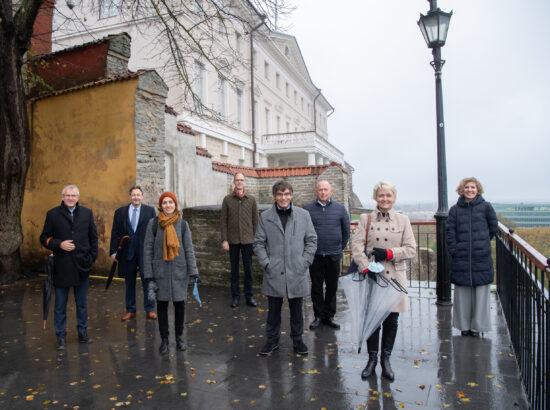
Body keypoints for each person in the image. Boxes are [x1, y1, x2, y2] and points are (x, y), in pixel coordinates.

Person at [351, 181, 416, 381]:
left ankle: (385, 360)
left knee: (391, 321)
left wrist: (389, 253)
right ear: (376, 198)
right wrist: (365, 266)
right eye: (381, 196)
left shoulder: (403, 220)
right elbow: (356, 245)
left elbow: (411, 249)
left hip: (395, 278)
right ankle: (371, 360)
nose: (385, 199)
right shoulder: (366, 218)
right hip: (373, 277)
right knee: (373, 320)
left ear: (394, 198)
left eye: (388, 196)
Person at [254, 180, 317, 356]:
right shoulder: (265, 217)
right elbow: (258, 243)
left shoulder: (303, 215)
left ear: (292, 195)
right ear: (275, 196)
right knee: (273, 311)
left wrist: (304, 262)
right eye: (280, 194)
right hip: (274, 271)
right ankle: (272, 341)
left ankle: (298, 341)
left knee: (297, 311)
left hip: (296, 270)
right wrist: (267, 263)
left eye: (287, 194)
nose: (284, 198)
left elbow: (312, 240)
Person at [40, 185, 98, 350]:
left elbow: (93, 238)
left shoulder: (87, 213)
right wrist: (59, 244)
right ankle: (60, 336)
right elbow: (43, 237)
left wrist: (91, 258)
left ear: (78, 197)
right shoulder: (52, 214)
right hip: (62, 266)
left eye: (73, 195)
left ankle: (82, 332)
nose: (71, 198)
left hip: (82, 266)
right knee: (60, 304)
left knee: (81, 303)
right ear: (62, 197)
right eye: (68, 195)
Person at [142, 191, 199, 355]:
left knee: (180, 305)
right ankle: (165, 340)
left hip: (179, 271)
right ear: (161, 205)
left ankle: (179, 337)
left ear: (175, 205)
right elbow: (147, 250)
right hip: (159, 272)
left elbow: (189, 249)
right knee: (161, 306)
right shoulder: (153, 224)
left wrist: (194, 271)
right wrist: (149, 273)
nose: (168, 205)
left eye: (171, 202)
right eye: (165, 202)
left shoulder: (182, 224)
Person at [446, 177, 498, 338]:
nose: (470, 190)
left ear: (478, 189)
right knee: (462, 294)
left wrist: (481, 243)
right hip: (461, 257)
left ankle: (477, 327)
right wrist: (455, 249)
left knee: (481, 294)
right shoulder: (455, 210)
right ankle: (464, 326)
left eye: (473, 187)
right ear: (462, 190)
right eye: (467, 187)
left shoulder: (486, 207)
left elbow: (493, 226)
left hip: (480, 257)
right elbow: (450, 231)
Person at [304, 180, 350, 330]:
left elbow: (346, 231)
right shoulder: (307, 209)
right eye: (320, 190)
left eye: (326, 189)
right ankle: (318, 316)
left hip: (333, 255)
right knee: (316, 287)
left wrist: (339, 248)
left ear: (331, 192)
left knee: (332, 286)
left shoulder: (340, 209)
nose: (323, 192)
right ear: (316, 192)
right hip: (315, 255)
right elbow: (303, 232)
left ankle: (329, 316)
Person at [109, 186, 157, 321]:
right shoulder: (120, 212)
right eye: (133, 195)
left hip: (145, 253)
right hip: (127, 253)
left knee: (148, 281)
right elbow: (115, 233)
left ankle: (150, 309)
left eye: (138, 195)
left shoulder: (150, 211)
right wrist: (113, 251)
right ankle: (130, 310)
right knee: (129, 283)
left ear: (142, 196)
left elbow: (155, 232)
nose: (136, 197)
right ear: (130, 196)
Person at [220, 172, 259, 308]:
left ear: (245, 182)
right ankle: (235, 297)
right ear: (234, 182)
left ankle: (249, 296)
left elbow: (256, 222)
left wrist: (256, 240)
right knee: (234, 270)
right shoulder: (227, 199)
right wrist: (224, 239)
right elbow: (223, 221)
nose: (239, 182)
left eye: (241, 180)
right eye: (237, 180)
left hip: (248, 241)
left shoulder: (252, 200)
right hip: (233, 240)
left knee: (249, 270)